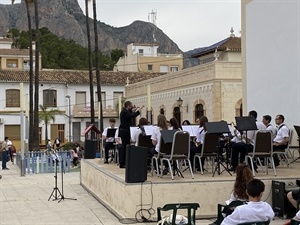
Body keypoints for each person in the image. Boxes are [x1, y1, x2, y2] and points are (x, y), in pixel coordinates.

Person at [118, 101, 143, 168]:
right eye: (131, 106)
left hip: (125, 130)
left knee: (126, 146)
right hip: (124, 131)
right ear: (128, 106)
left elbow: (129, 114)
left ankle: (124, 162)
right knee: (124, 146)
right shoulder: (124, 112)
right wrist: (138, 112)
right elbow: (131, 116)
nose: (131, 107)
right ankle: (122, 163)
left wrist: (133, 111)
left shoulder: (125, 111)